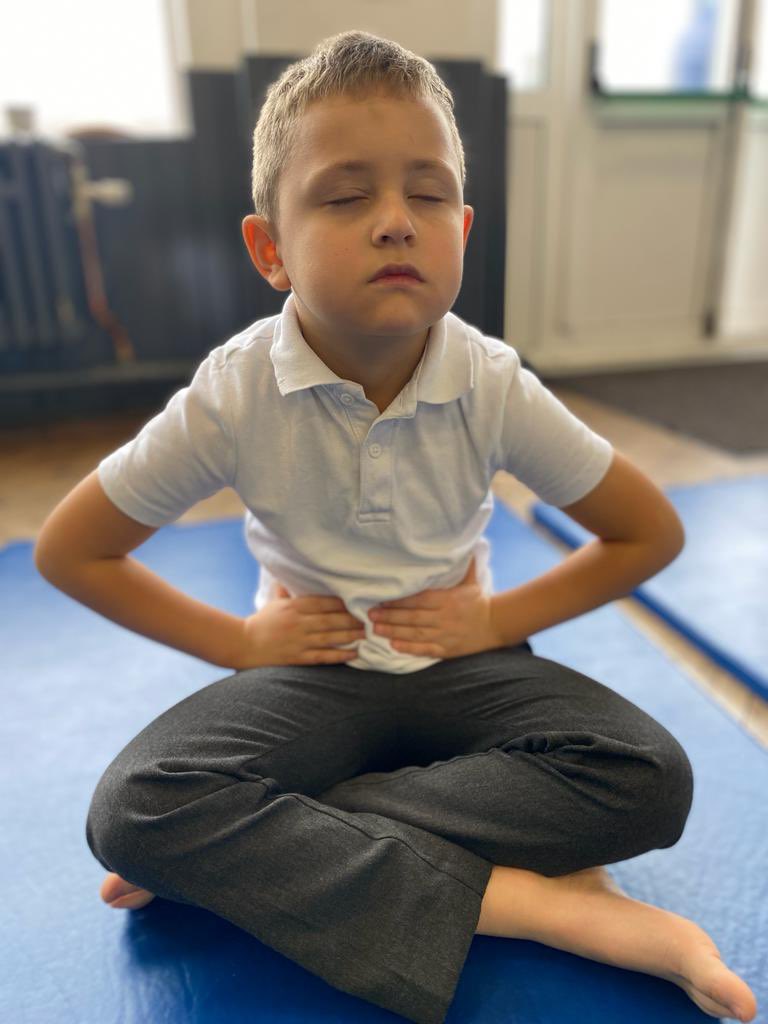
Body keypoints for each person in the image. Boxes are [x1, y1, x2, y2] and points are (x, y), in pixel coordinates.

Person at [34, 30, 756, 1024]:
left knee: (650, 775)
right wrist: (243, 643)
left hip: (457, 662)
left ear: (463, 226)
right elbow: (71, 549)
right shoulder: (236, 390)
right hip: (310, 672)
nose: (394, 223)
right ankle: (542, 908)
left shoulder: (490, 382)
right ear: (269, 249)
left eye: (426, 196)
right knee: (135, 808)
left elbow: (648, 532)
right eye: (344, 196)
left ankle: (269, 847)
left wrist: (495, 623)